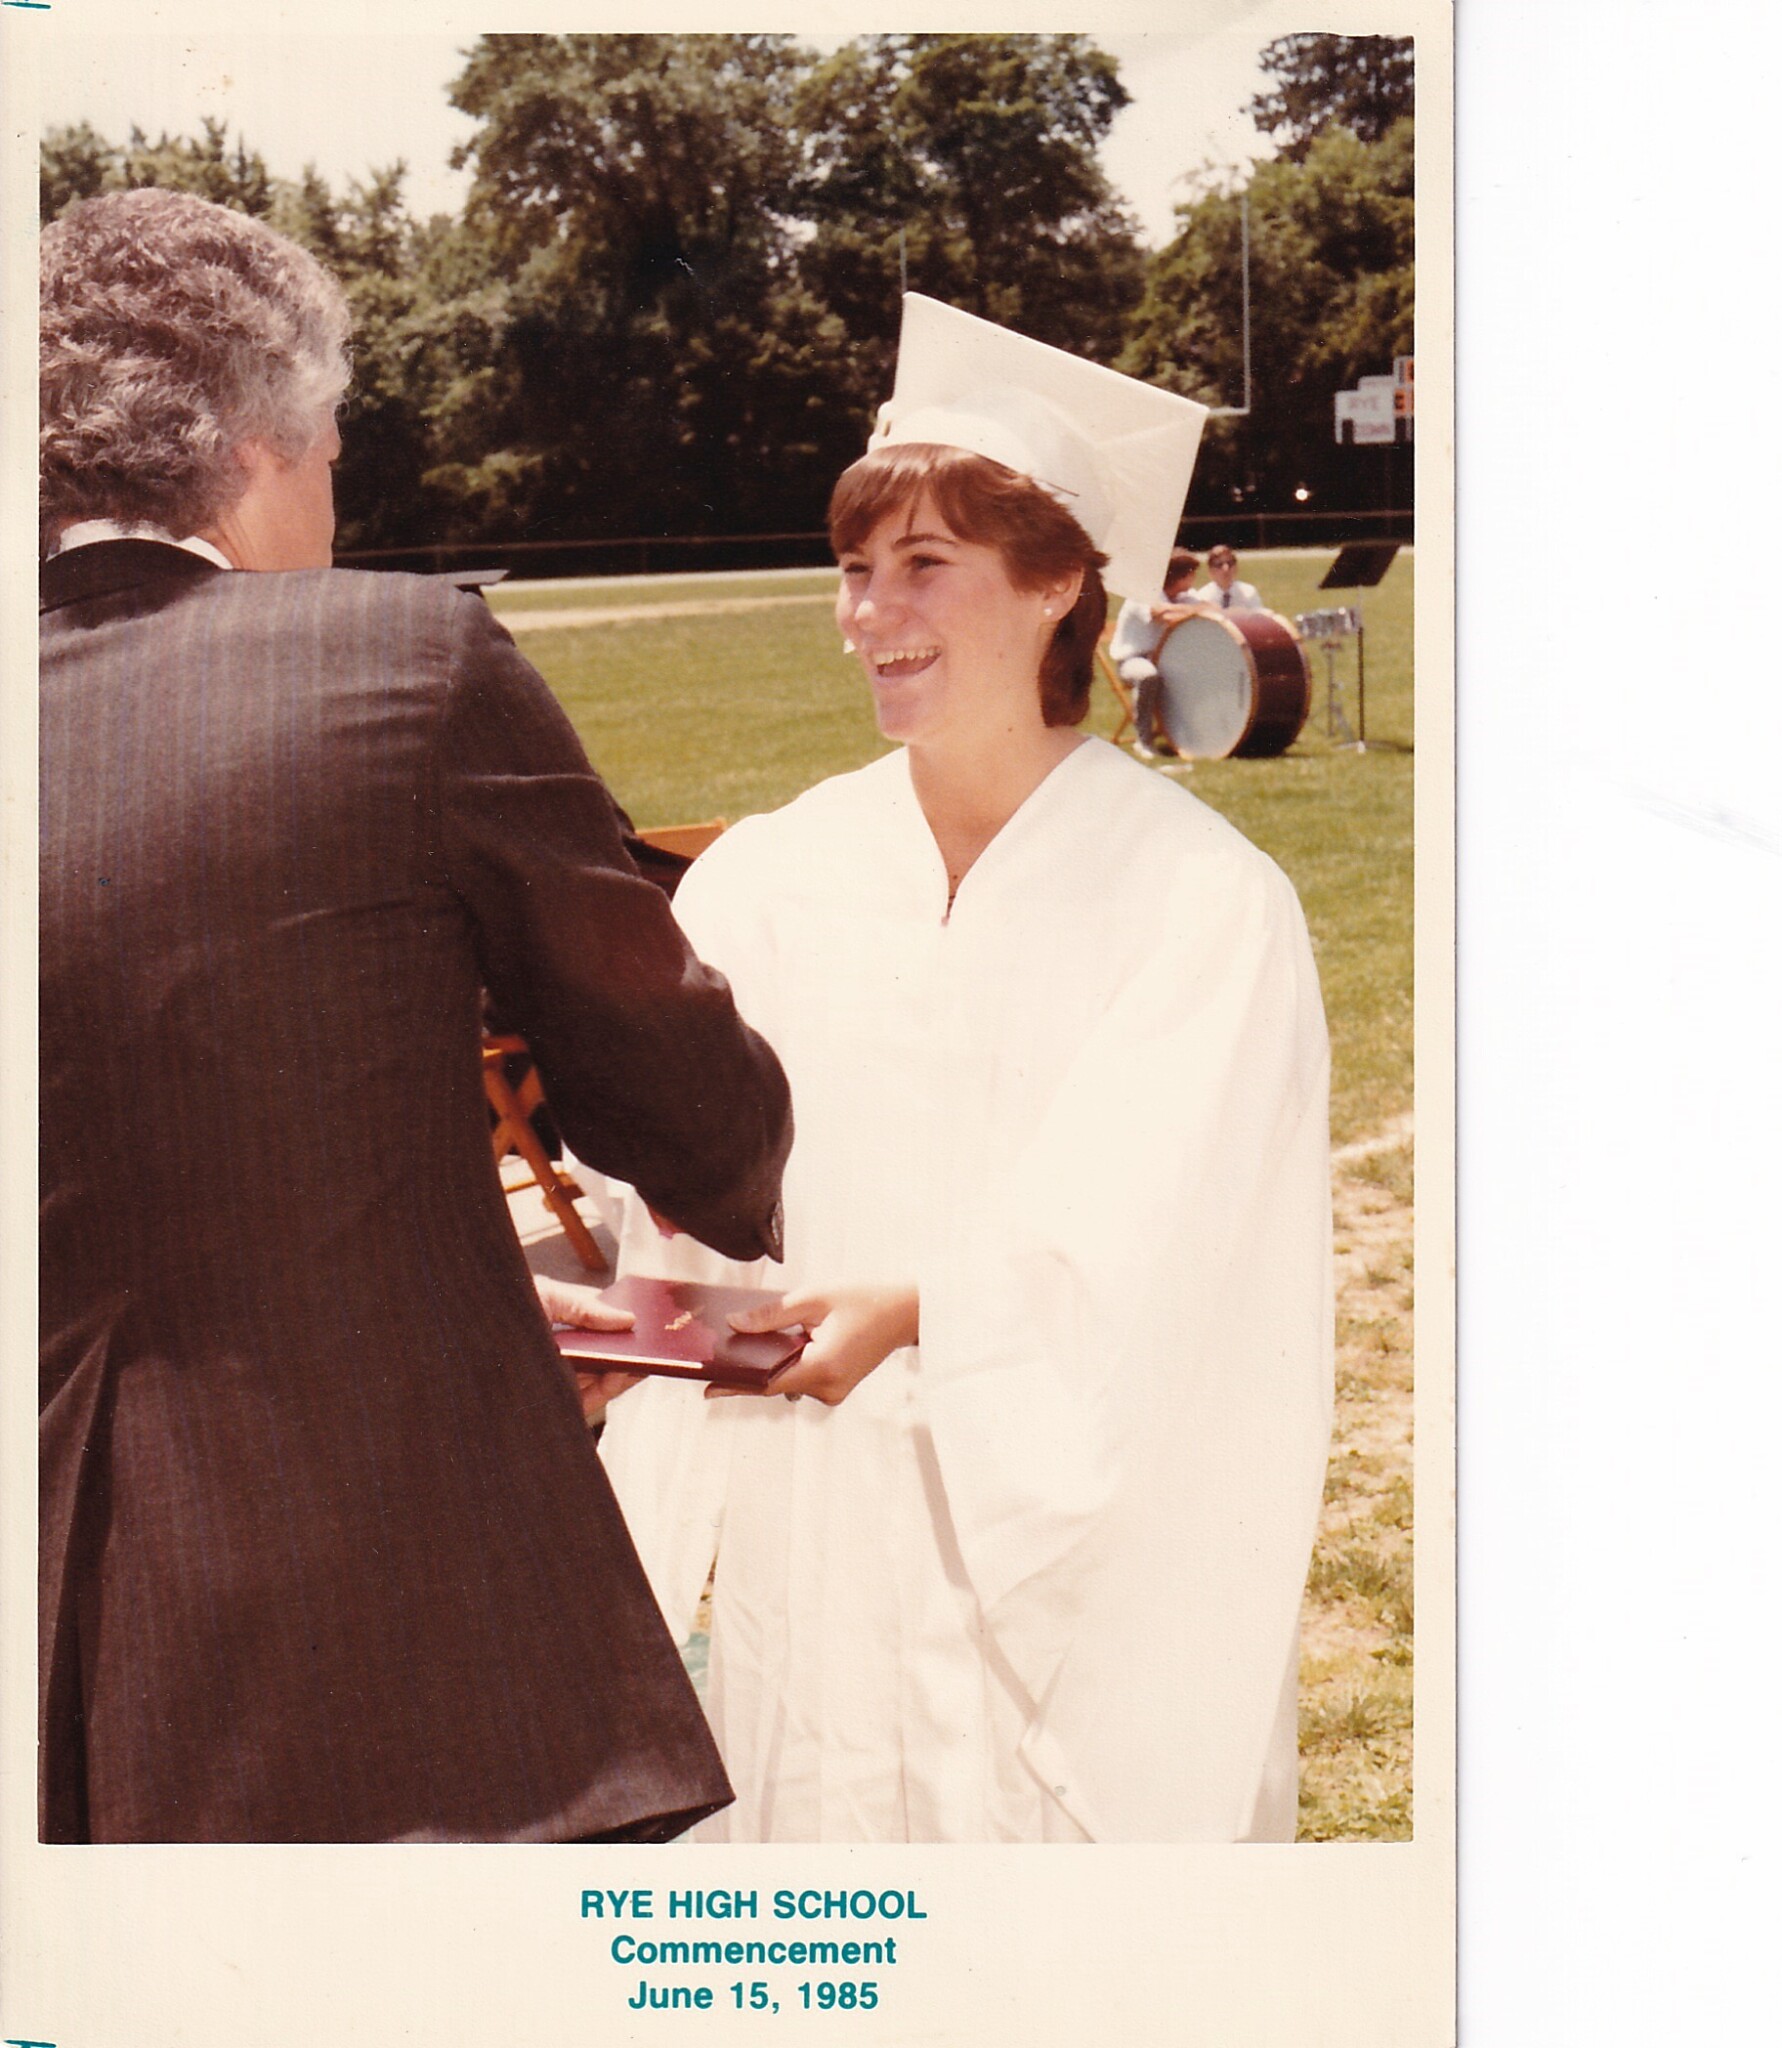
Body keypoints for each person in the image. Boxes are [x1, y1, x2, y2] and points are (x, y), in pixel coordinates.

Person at [38, 189, 793, 1843]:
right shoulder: (396, 661)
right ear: (254, 441)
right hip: (393, 1641)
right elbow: (670, 1096)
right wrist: (747, 1188)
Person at [599, 296, 1334, 1844]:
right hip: (812, 1521)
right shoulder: (768, 875)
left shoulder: (1200, 903)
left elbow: (1167, 1241)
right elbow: (674, 1192)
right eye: (853, 571)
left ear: (1062, 579)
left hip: (1058, 1548)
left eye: (924, 565)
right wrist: (628, 1314)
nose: (869, 613)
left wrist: (924, 1311)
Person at [1107, 546, 1203, 759]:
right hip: (1132, 661)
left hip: (1162, 660)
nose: (1194, 579)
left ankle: (1194, 736)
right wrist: (1194, 611)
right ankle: (1144, 741)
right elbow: (1162, 615)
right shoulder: (1143, 593)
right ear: (1181, 576)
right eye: (1191, 574)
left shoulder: (1181, 597)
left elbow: (1210, 608)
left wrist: (1193, 609)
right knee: (1147, 675)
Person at [1198, 544, 1263, 611]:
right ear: (1210, 571)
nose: (1226, 569)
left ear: (1236, 567)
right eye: (1219, 565)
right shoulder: (1203, 597)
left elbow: (1259, 618)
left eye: (1230, 563)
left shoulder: (1248, 593)